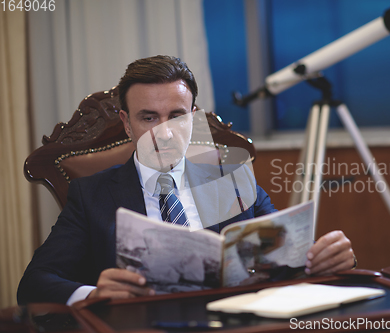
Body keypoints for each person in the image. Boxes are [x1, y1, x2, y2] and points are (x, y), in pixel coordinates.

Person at [17, 55, 355, 305]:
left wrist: (320, 260)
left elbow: (282, 258)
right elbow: (35, 282)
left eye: (176, 117)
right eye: (148, 117)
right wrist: (94, 294)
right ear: (126, 123)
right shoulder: (91, 194)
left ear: (193, 119)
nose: (164, 132)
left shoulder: (232, 179)